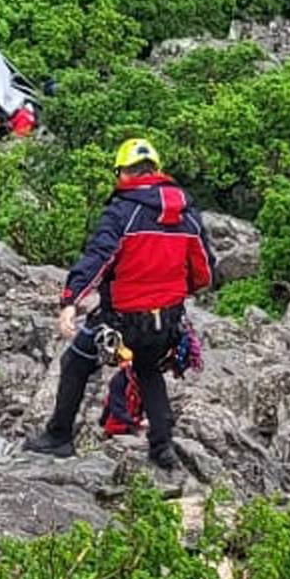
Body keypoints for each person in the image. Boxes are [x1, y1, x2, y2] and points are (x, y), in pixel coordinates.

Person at [39, 139, 213, 468]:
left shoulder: (123, 211)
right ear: (157, 170)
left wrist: (70, 302)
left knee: (75, 363)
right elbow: (203, 272)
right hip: (167, 320)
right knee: (148, 370)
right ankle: (162, 446)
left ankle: (59, 437)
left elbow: (97, 259)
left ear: (124, 173)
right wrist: (172, 290)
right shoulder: (187, 214)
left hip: (121, 318)